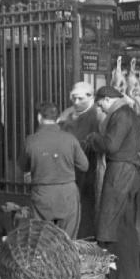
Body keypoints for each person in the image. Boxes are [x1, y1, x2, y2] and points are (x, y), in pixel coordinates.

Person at [84, 86, 140, 279]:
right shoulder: (128, 113)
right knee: (125, 224)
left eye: (101, 105)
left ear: (108, 99)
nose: (102, 109)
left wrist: (93, 138)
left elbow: (111, 145)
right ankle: (128, 276)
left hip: (120, 173)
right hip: (127, 171)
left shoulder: (121, 115)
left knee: (110, 223)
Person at [19, 102, 89, 239]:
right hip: (67, 194)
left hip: (42, 194)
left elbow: (23, 167)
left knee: (43, 239)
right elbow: (84, 166)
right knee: (67, 240)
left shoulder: (30, 141)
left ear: (39, 117)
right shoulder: (70, 139)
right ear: (57, 119)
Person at [58, 82, 105, 238]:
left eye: (80, 99)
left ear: (90, 97)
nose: (76, 102)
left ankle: (86, 236)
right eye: (74, 99)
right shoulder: (68, 113)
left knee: (87, 202)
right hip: (69, 166)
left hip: (90, 164)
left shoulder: (98, 114)